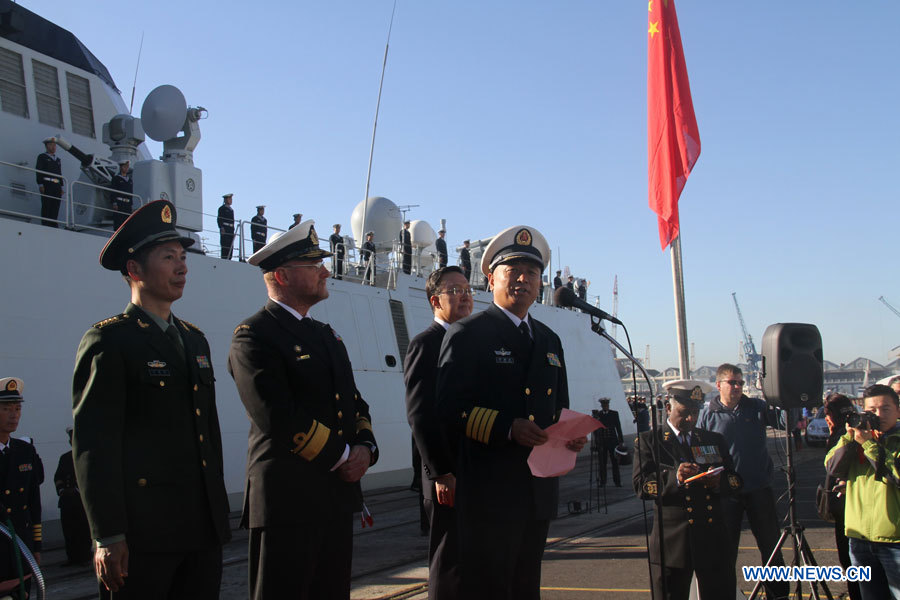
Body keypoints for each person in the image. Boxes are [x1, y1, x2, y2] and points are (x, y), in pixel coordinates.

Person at [72, 200, 231, 598]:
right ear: (134, 270)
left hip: (200, 529)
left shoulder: (195, 340)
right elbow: (94, 444)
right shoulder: (110, 341)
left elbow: (207, 433)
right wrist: (107, 534)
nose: (182, 267)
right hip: (143, 535)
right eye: (168, 257)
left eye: (182, 256)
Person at [229, 220, 378, 600]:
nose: (325, 271)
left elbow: (354, 403)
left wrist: (365, 449)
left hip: (334, 496)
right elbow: (275, 414)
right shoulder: (254, 336)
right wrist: (344, 455)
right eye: (314, 266)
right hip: (287, 502)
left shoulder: (327, 336)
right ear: (281, 275)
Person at [436, 225, 586, 600]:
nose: (523, 280)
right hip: (490, 490)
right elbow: (449, 408)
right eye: (512, 271)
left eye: (531, 273)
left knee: (525, 587)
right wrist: (507, 428)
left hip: (537, 490)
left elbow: (558, 408)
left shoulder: (549, 339)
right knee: (489, 587)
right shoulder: (469, 334)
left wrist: (570, 436)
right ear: (490, 278)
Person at [633, 379, 741, 600]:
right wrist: (676, 479)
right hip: (673, 541)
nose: (691, 418)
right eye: (685, 412)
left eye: (695, 412)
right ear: (669, 407)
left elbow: (735, 480)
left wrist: (718, 482)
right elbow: (642, 486)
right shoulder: (650, 441)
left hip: (712, 538)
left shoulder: (712, 439)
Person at [405, 266, 473, 599]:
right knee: (450, 563)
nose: (465, 296)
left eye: (467, 289)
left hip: (478, 471)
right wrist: (441, 472)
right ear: (435, 300)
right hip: (448, 475)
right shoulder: (426, 344)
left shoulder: (474, 341)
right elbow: (420, 414)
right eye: (455, 290)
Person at [697, 363, 789, 600]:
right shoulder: (707, 414)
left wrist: (780, 396)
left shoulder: (757, 407)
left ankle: (777, 595)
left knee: (771, 547)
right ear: (718, 385)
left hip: (759, 487)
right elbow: (698, 449)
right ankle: (727, 594)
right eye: (732, 382)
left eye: (740, 382)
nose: (737, 387)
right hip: (725, 492)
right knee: (726, 551)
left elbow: (786, 420)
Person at [826, 384, 900, 599]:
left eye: (885, 409)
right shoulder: (857, 438)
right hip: (859, 540)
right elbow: (832, 468)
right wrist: (849, 438)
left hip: (894, 542)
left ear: (898, 410)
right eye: (871, 410)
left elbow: (895, 474)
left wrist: (869, 445)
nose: (878, 415)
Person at [0, 377, 44, 595]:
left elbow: (33, 502)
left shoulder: (25, 451)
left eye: (17, 408)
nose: (14, 414)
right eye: (6, 408)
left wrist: (36, 546)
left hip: (20, 548)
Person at [822, 393, 862, 600]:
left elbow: (832, 468)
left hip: (846, 510)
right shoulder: (859, 429)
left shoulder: (842, 435)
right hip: (855, 509)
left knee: (851, 564)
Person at [54, 427, 92, 566]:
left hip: (81, 500)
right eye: (71, 440)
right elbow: (58, 477)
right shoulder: (65, 458)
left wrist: (76, 490)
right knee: (69, 531)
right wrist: (62, 490)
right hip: (67, 501)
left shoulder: (87, 455)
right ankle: (72, 557)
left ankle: (85, 556)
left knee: (83, 530)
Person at [594, 398, 624, 487]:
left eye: (606, 405)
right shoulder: (598, 415)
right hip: (602, 442)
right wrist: (597, 441)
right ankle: (603, 481)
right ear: (602, 406)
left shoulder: (614, 414)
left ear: (608, 405)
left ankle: (617, 482)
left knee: (615, 462)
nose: (605, 407)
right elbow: (595, 430)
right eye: (603, 406)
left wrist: (621, 440)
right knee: (602, 463)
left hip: (612, 441)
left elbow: (618, 427)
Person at [35, 136, 63, 227]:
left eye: (55, 145)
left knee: (56, 205)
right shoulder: (42, 157)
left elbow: (59, 173)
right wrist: (40, 184)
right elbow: (39, 170)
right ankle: (46, 223)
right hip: (47, 183)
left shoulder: (57, 160)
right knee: (47, 204)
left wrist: (61, 186)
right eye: (51, 145)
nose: (53, 147)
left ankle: (53, 223)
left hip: (56, 185)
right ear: (47, 146)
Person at [109, 160, 134, 230]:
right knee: (118, 221)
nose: (126, 168)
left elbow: (131, 193)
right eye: (124, 166)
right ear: (121, 167)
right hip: (119, 202)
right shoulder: (116, 179)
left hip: (127, 204)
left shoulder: (130, 180)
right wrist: (114, 202)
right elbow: (113, 191)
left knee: (127, 222)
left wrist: (131, 204)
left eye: (127, 167)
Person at [218, 193, 235, 259]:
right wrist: (221, 227)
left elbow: (232, 221)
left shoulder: (231, 210)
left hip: (230, 230)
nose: (231, 200)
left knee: (230, 247)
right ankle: (225, 258)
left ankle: (229, 259)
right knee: (225, 246)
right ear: (225, 200)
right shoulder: (222, 208)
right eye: (229, 199)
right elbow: (219, 219)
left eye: (231, 199)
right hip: (225, 229)